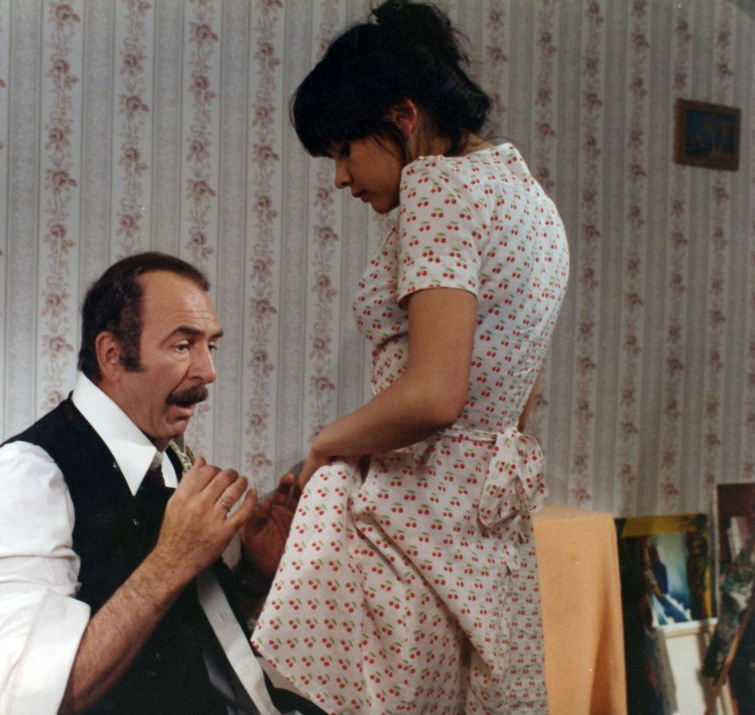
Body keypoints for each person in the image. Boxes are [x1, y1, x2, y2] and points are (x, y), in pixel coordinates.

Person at [251, 1, 569, 713]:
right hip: (484, 529)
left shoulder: (439, 187)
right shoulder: (529, 201)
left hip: (412, 524)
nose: (341, 177)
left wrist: (324, 447)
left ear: (402, 117)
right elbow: (515, 395)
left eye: (343, 150)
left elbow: (433, 395)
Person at [0, 252, 324, 715]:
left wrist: (254, 574)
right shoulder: (26, 476)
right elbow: (25, 703)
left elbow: (188, 644)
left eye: (210, 346)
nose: (208, 372)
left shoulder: (165, 458)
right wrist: (172, 561)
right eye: (182, 346)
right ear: (112, 355)